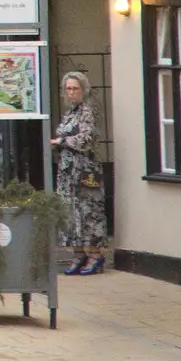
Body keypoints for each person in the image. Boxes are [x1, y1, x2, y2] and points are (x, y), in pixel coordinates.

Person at [53, 72, 109, 275]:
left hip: (85, 170)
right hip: (67, 171)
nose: (71, 92)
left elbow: (86, 139)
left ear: (83, 90)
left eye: (75, 88)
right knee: (70, 211)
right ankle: (78, 254)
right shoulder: (70, 112)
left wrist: (61, 142)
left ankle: (95, 254)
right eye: (68, 88)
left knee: (88, 211)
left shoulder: (88, 111)